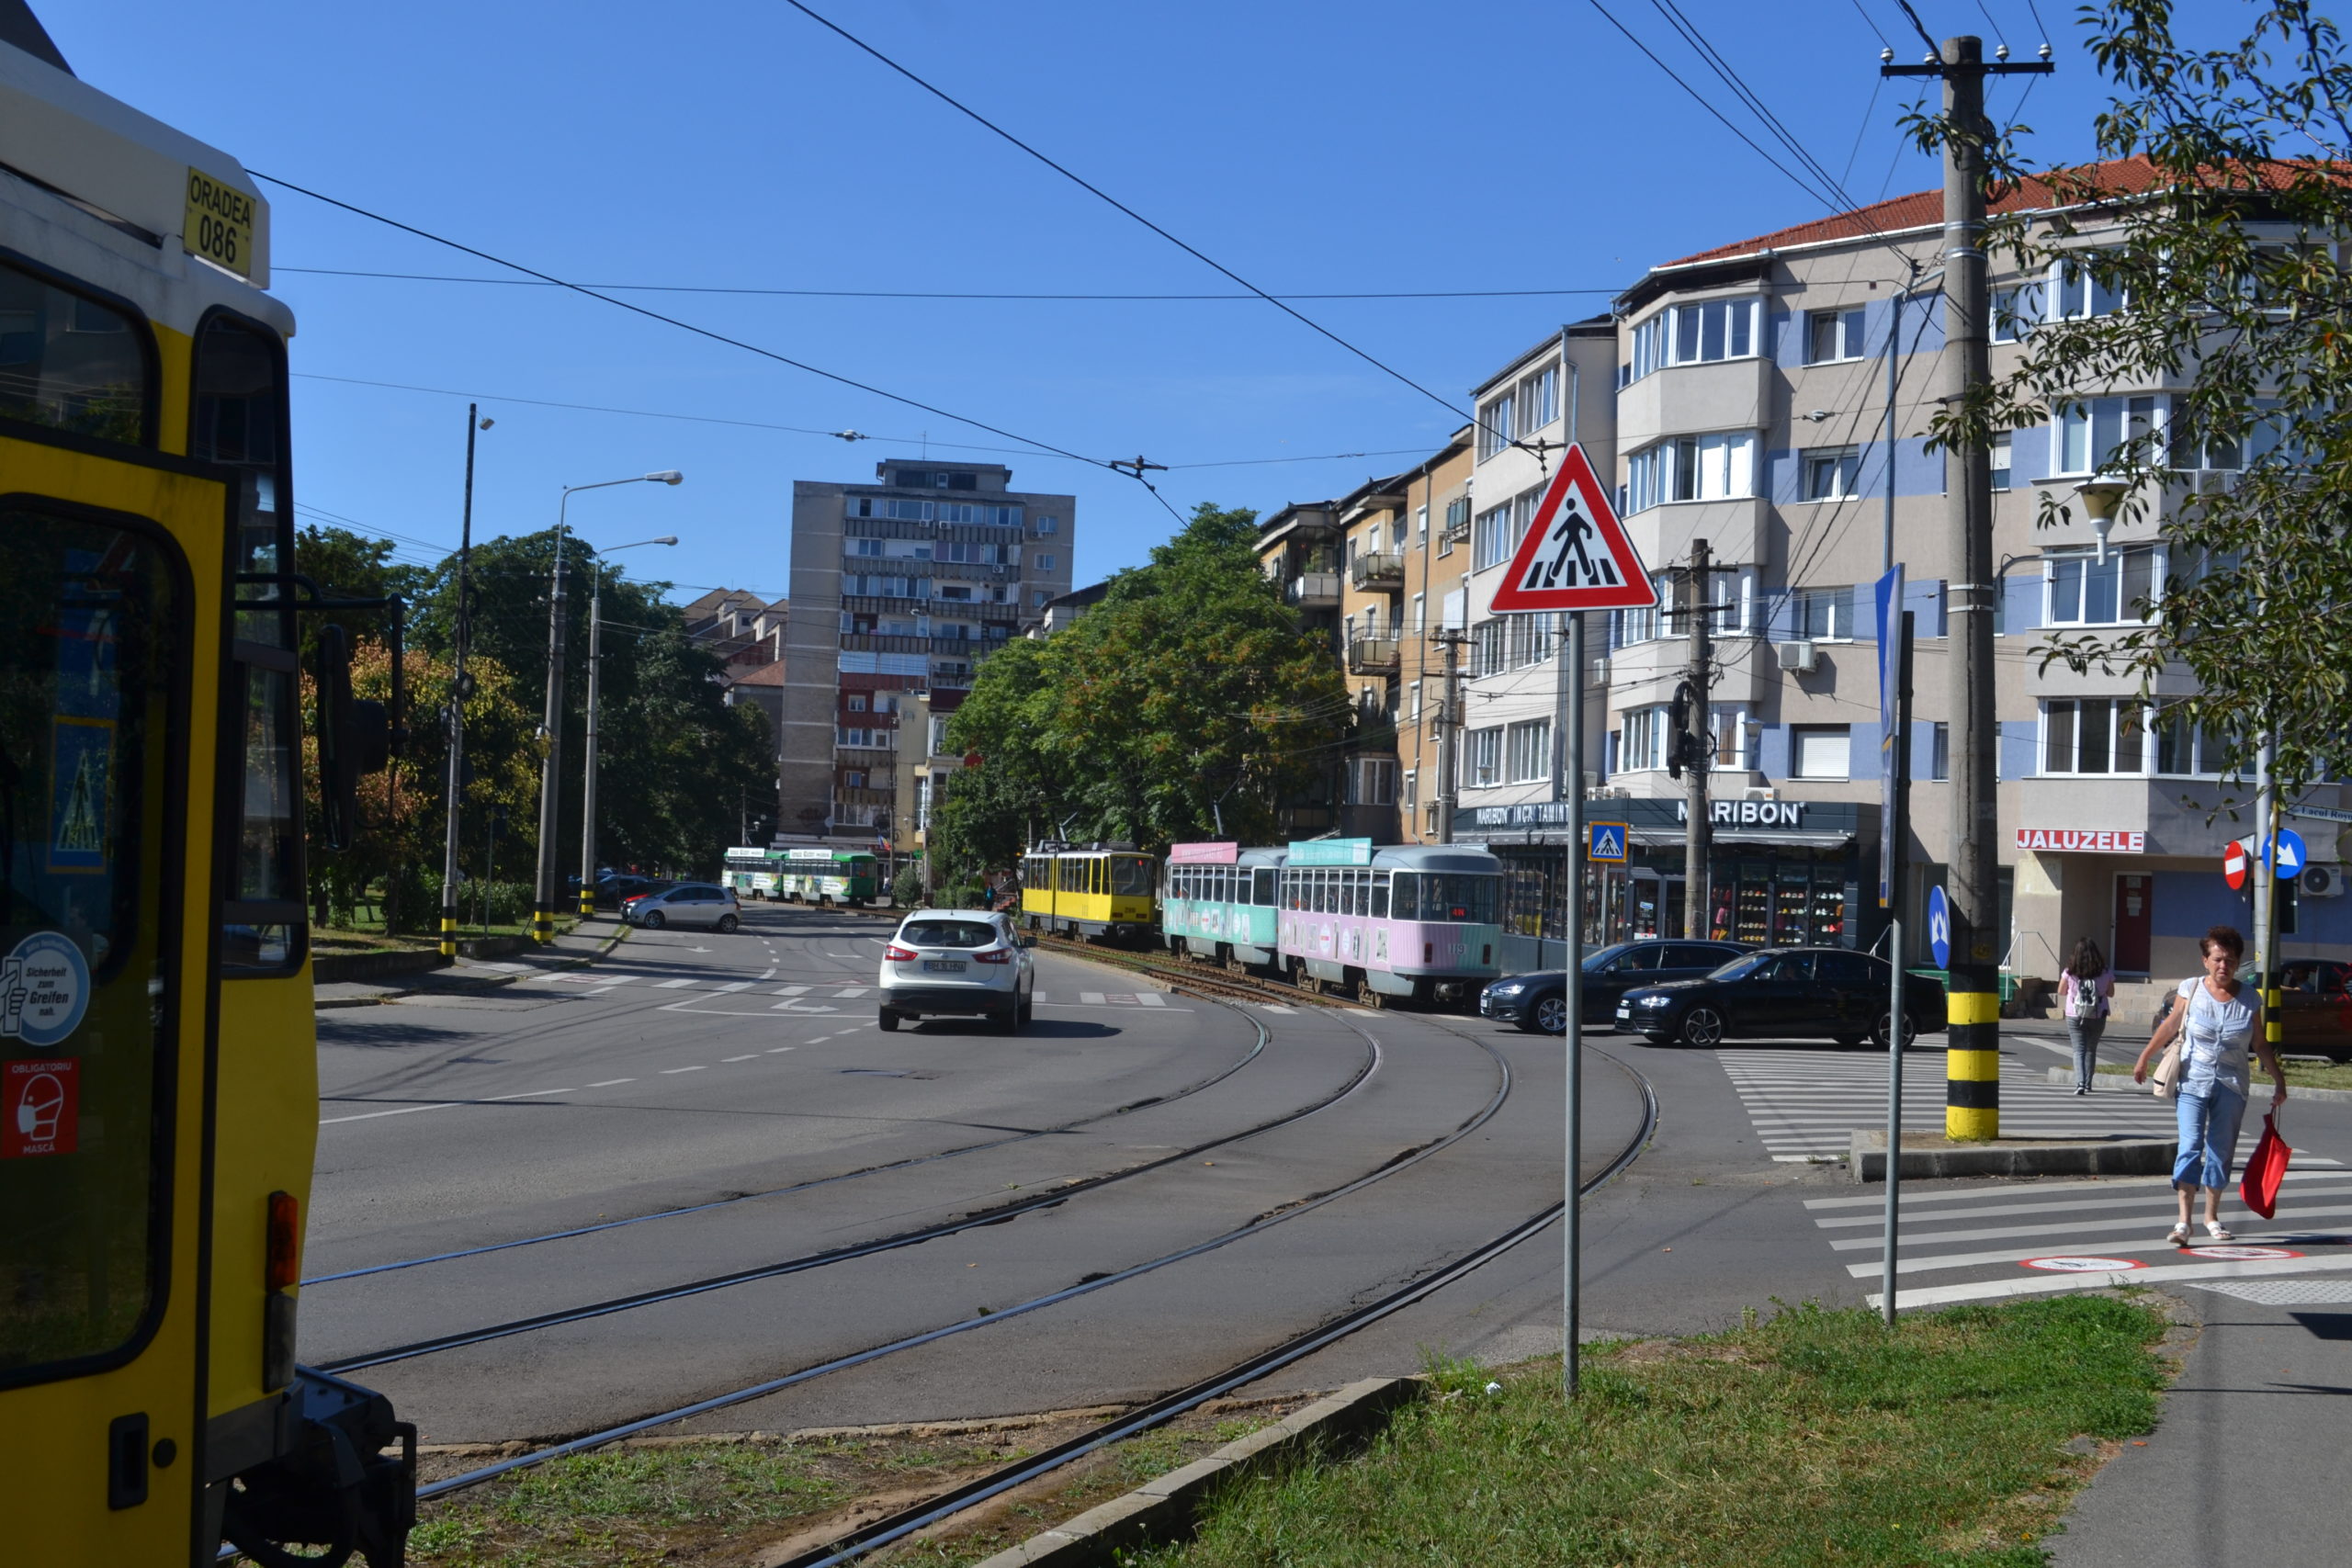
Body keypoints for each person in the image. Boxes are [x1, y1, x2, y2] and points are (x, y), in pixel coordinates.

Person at [2132, 925, 2289, 1245]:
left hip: (2232, 1085)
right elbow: (2171, 1024)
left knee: (2220, 1151)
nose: (2223, 966)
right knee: (2190, 1146)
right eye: (2217, 959)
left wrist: (2278, 1080)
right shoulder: (2190, 988)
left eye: (2229, 960)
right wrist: (2145, 1056)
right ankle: (2183, 1222)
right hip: (2192, 1081)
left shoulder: (2250, 998)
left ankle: (2211, 1217)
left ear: (2238, 962)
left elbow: (2259, 1043)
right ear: (2205, 960)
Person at [2059, 937, 2115, 1095]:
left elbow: (2061, 991)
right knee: (2091, 1049)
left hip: (2074, 1014)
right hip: (2098, 1014)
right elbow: (2111, 993)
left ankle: (2080, 1083)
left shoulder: (2069, 972)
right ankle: (2088, 1084)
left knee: (2078, 1050)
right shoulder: (2105, 971)